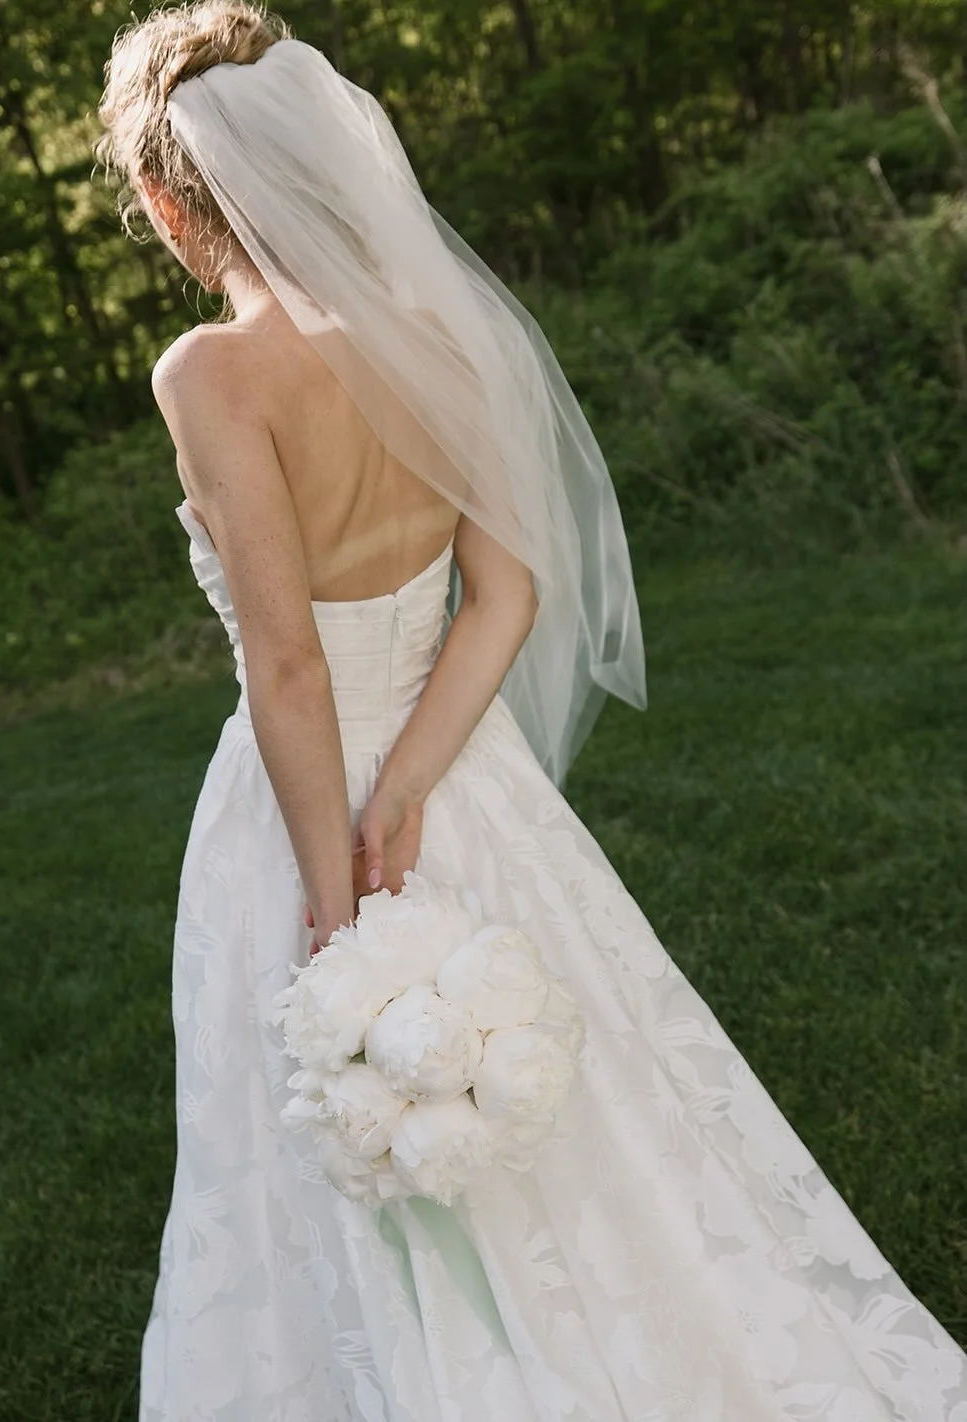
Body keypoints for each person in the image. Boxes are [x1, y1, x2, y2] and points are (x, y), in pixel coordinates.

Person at [94, 4, 967, 1419]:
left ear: (165, 201)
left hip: (296, 814)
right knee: (581, 1105)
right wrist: (410, 786)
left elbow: (289, 669)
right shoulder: (445, 333)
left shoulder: (210, 374)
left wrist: (339, 908)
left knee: (321, 1133)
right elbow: (504, 596)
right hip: (462, 780)